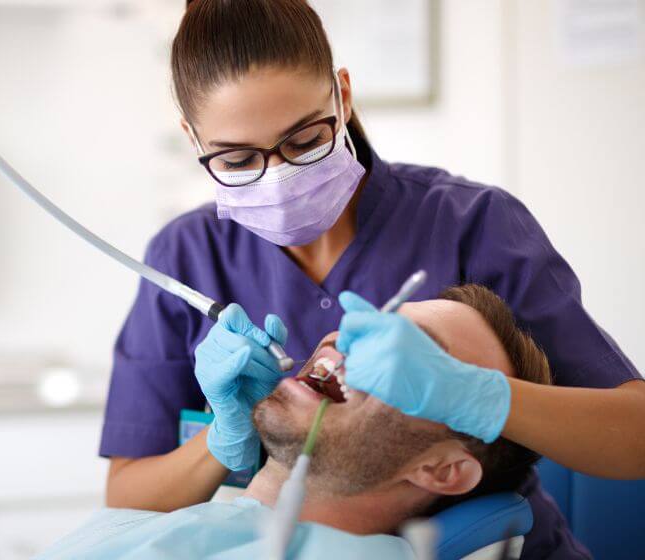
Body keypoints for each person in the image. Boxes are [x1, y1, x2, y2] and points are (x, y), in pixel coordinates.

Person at [101, 1, 644, 558]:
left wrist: (478, 397)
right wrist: (224, 441)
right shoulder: (186, 255)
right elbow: (127, 497)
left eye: (305, 139)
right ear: (193, 137)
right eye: (237, 159)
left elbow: (637, 435)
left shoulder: (470, 224)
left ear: (343, 95)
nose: (279, 174)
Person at [50, 286, 549, 559]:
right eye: (374, 322)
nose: (344, 338)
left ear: (442, 470)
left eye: (408, 353)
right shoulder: (138, 525)